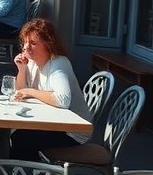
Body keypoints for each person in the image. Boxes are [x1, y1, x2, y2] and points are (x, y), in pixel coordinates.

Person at [9, 19, 92, 161]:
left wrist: (30, 91)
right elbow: (21, 92)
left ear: (48, 44)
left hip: (72, 132)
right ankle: (25, 174)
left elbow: (62, 100)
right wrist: (21, 70)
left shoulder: (58, 64)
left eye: (33, 43)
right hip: (52, 123)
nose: (26, 47)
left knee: (21, 137)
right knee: (15, 133)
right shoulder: (33, 63)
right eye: (25, 42)